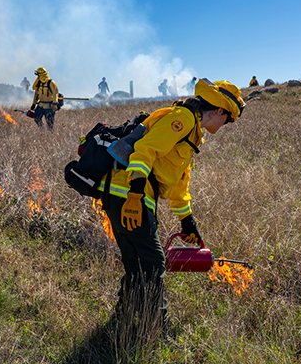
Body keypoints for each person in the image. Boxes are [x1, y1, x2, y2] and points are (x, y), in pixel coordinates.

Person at [100, 78, 245, 333]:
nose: (225, 125)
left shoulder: (192, 134)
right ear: (220, 111)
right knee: (154, 262)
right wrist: (134, 195)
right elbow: (145, 149)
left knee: (137, 261)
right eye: (227, 119)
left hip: (127, 193)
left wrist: (187, 220)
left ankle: (125, 317)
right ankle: (159, 327)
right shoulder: (184, 119)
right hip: (129, 193)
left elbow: (179, 182)